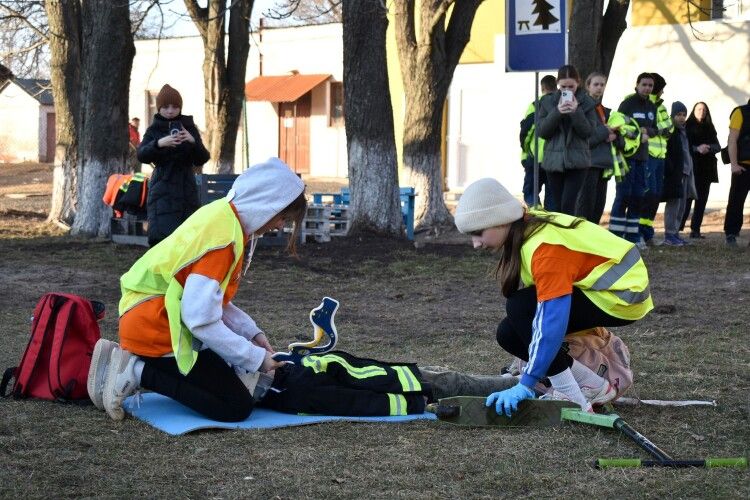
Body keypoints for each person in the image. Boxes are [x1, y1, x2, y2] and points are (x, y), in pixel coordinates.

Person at [86, 158, 517, 421]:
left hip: (158, 318)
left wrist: (252, 335)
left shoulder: (226, 221)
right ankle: (138, 369)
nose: (277, 227)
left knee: (235, 389)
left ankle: (139, 362)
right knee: (233, 407)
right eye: (280, 218)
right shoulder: (225, 235)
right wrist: (254, 357)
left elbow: (212, 302)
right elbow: (200, 316)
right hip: (155, 328)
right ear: (267, 206)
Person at [453, 178, 653, 416]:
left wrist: (527, 382)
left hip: (621, 296)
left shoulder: (544, 250)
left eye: (478, 233)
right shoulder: (528, 229)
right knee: (508, 333)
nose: (475, 244)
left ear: (500, 220)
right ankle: (593, 385)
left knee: (519, 307)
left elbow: (550, 321)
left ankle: (572, 394)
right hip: (605, 290)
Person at [137, 84, 210, 247]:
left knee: (186, 240)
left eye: (175, 107)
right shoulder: (154, 129)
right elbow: (141, 154)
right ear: (159, 108)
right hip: (162, 188)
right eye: (165, 107)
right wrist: (159, 144)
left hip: (186, 189)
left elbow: (202, 158)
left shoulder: (188, 127)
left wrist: (192, 141)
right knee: (163, 238)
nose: (170, 111)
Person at [536, 65, 598, 216]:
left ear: (578, 82)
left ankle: (569, 238)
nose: (567, 90)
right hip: (554, 161)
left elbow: (588, 132)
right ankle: (560, 238)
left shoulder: (588, 103)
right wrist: (557, 112)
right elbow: (542, 132)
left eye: (571, 86)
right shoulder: (547, 102)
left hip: (578, 163)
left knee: (568, 204)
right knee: (557, 206)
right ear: (557, 83)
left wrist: (576, 112)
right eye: (563, 86)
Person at [610, 73, 658, 246]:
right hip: (627, 156)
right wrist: (638, 134)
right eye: (644, 84)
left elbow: (655, 129)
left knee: (638, 196)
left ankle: (632, 238)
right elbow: (618, 126)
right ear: (636, 85)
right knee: (624, 195)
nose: (647, 88)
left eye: (650, 85)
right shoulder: (628, 104)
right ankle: (615, 236)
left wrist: (646, 132)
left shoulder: (652, 107)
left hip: (642, 158)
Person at [577, 72, 618, 223]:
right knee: (586, 206)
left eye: (602, 85)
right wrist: (605, 132)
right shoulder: (582, 107)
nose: (599, 88)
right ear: (588, 86)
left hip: (603, 163)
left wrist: (614, 135)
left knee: (598, 206)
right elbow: (585, 139)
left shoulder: (601, 108)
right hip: (589, 162)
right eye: (596, 84)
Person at [638, 73, 673, 246]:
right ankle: (638, 233)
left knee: (656, 196)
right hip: (648, 155)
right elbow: (647, 127)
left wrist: (657, 129)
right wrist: (659, 129)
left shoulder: (661, 106)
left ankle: (647, 233)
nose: (662, 93)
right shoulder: (645, 104)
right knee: (647, 194)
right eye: (662, 90)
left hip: (660, 157)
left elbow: (670, 127)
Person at [681, 102, 721, 238]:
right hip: (691, 167)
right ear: (694, 110)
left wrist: (708, 147)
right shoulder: (687, 126)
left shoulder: (710, 127)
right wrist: (697, 149)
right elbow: (683, 146)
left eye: (704, 109)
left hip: (707, 169)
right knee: (687, 199)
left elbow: (718, 146)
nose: (702, 112)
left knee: (702, 200)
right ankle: (678, 228)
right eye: (699, 109)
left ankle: (695, 230)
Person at [661, 102, 697, 246]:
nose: (681, 118)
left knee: (682, 205)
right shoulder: (671, 131)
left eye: (684, 115)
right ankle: (669, 234)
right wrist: (671, 170)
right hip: (676, 172)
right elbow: (668, 153)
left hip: (686, 172)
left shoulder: (684, 131)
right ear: (672, 115)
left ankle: (675, 232)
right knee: (674, 204)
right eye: (678, 115)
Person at [519, 75, 557, 208]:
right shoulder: (561, 103)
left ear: (542, 88)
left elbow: (526, 131)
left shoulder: (536, 105)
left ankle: (538, 216)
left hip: (535, 157)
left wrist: (525, 153)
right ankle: (550, 222)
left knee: (530, 192)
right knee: (552, 195)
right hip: (555, 159)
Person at [723, 98, 750, 246]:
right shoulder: (740, 112)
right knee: (736, 201)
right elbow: (732, 140)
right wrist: (734, 165)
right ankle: (731, 234)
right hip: (742, 166)